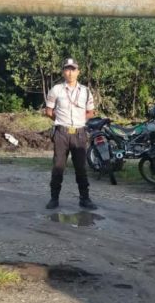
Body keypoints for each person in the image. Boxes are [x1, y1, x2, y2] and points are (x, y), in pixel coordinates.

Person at [45, 58, 97, 211]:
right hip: (61, 133)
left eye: (73, 69)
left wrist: (80, 120)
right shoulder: (56, 90)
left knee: (81, 167)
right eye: (67, 69)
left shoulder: (86, 91)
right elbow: (48, 111)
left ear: (78, 72)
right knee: (58, 166)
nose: (70, 73)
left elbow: (91, 112)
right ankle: (54, 198)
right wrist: (61, 121)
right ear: (63, 72)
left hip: (79, 134)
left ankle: (85, 199)